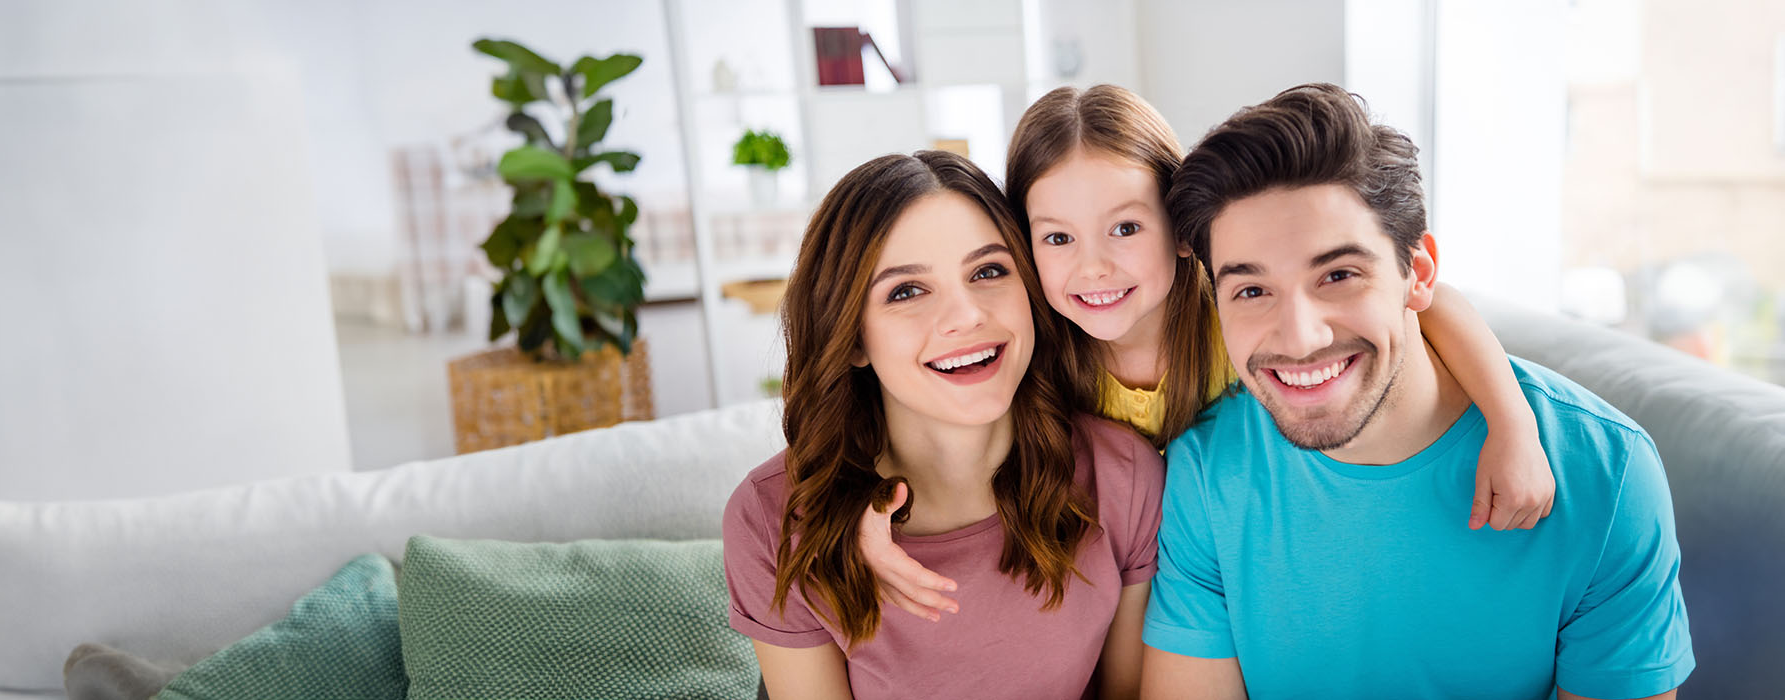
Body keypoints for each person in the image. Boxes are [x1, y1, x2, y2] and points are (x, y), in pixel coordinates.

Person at [863, 84, 1556, 625]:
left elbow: (1427, 301)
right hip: (1136, 593)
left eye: (1126, 227)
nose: (1095, 268)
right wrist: (867, 505)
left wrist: (1511, 423)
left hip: (1253, 571)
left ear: (1186, 229)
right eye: (1057, 239)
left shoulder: (1248, 310)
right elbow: (916, 408)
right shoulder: (1035, 353)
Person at [1140, 83, 1693, 700]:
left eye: (1339, 276)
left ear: (1419, 272)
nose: (1299, 338)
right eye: (1251, 290)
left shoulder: (1606, 475)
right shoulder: (1207, 469)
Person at [722, 150, 1162, 699]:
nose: (967, 315)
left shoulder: (1123, 478)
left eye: (989, 271)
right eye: (906, 291)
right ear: (853, 337)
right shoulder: (773, 518)